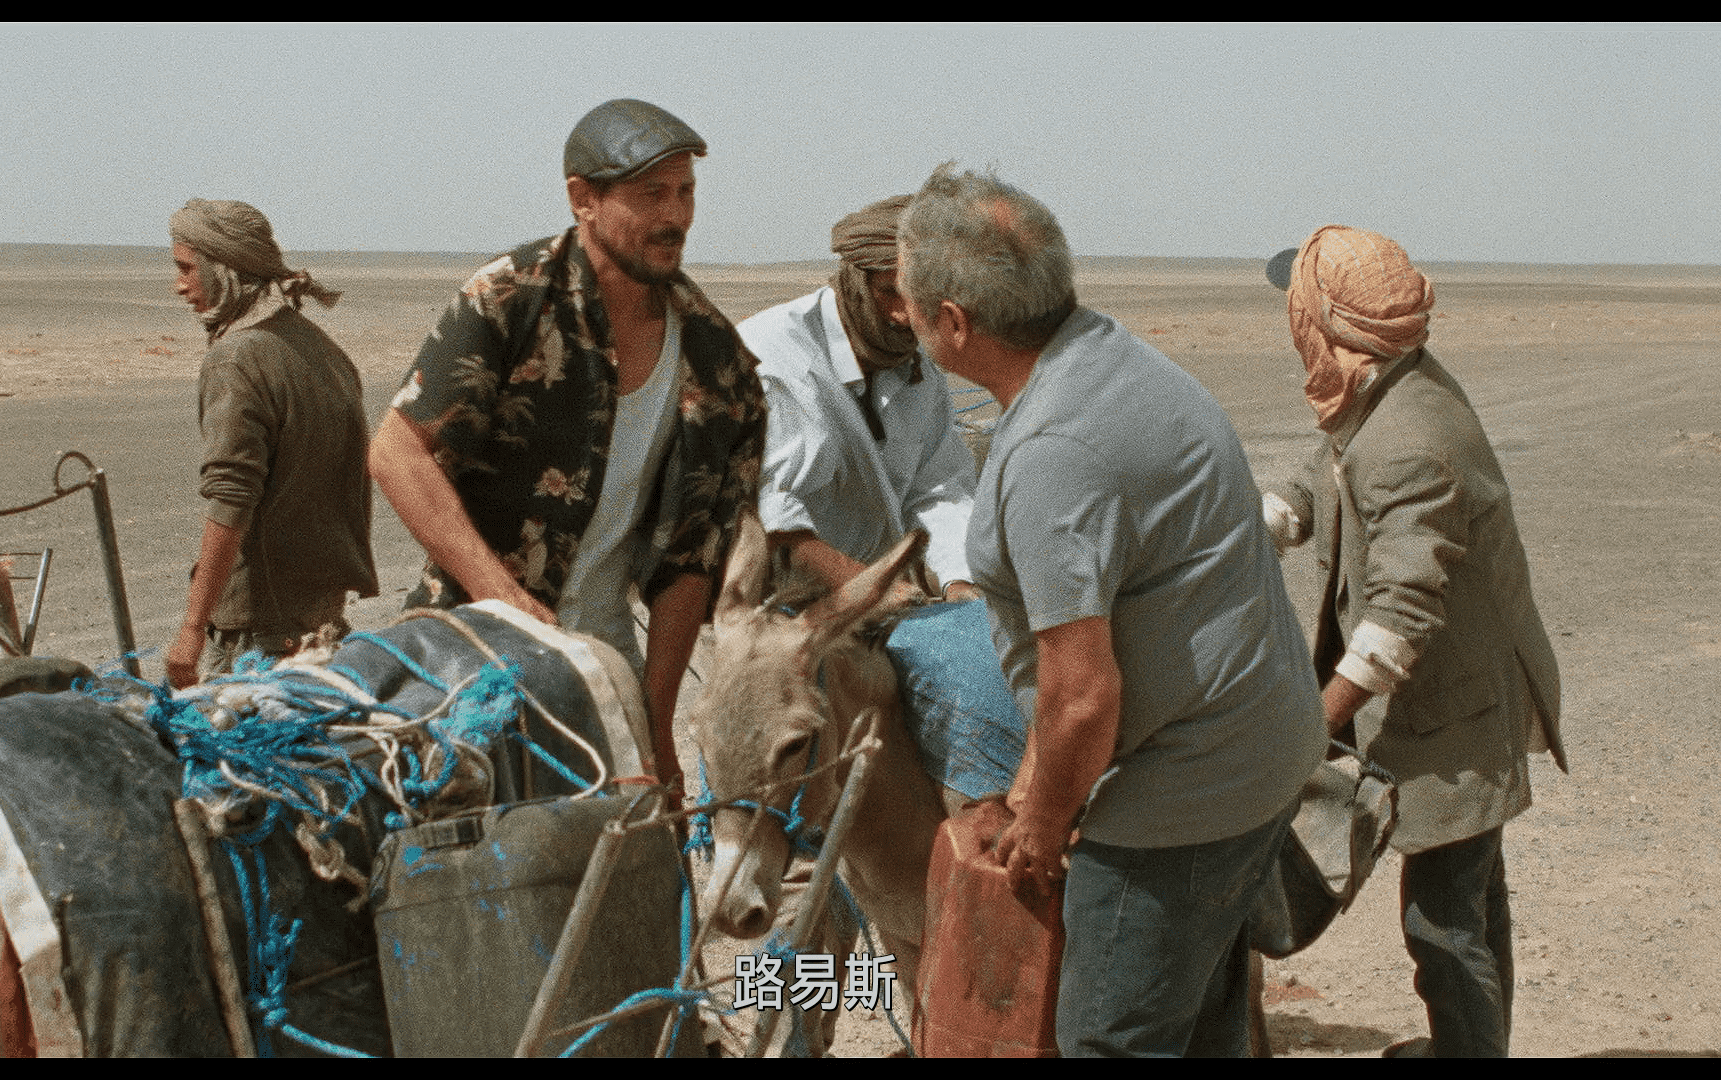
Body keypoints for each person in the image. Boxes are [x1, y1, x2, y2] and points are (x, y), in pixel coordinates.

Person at [896, 165, 1325, 1057]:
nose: (901, 315)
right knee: (1202, 1029)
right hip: (1257, 751)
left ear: (955, 323)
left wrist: (1043, 825)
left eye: (909, 301)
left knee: (1109, 1039)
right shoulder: (1110, 357)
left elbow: (1084, 698)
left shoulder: (1054, 451)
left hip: (1187, 795)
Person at [367, 99, 765, 799]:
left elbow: (692, 560)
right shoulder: (512, 298)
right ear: (584, 198)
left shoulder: (718, 360)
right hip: (464, 652)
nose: (675, 216)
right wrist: (504, 598)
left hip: (601, 674)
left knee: (622, 856)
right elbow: (398, 452)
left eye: (685, 192)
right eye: (652, 195)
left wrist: (655, 723)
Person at [1262, 225, 1566, 1058]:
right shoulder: (1388, 384)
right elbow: (1325, 469)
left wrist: (1313, 729)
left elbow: (1399, 618)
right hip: (1467, 693)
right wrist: (1257, 526)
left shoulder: (1409, 440)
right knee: (1472, 899)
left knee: (1442, 922)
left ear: (1329, 327)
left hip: (1455, 713)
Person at [166, 199, 377, 687]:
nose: (179, 285)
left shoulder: (236, 358)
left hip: (258, 631)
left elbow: (232, 497)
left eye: (186, 268)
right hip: (321, 619)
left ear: (224, 269)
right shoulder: (322, 348)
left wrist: (192, 629)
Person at [738, 194, 979, 602]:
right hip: (773, 604)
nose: (907, 314)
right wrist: (876, 591)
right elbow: (770, 515)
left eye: (924, 297)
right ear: (856, 282)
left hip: (873, 600)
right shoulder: (772, 359)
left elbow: (939, 488)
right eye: (891, 293)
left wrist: (960, 581)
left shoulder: (918, 369)